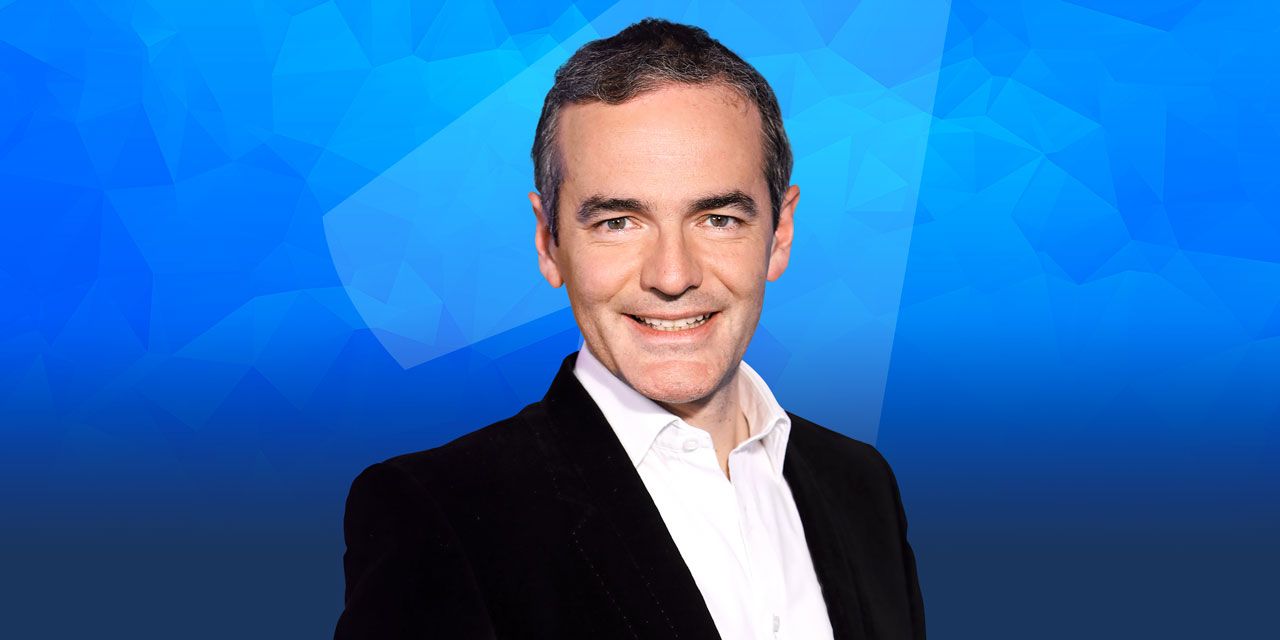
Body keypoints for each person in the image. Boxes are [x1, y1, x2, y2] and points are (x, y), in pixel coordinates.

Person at [335, 18, 924, 640]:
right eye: (618, 222)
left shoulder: (862, 488)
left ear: (779, 234)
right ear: (549, 241)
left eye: (718, 218)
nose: (672, 275)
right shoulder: (438, 515)